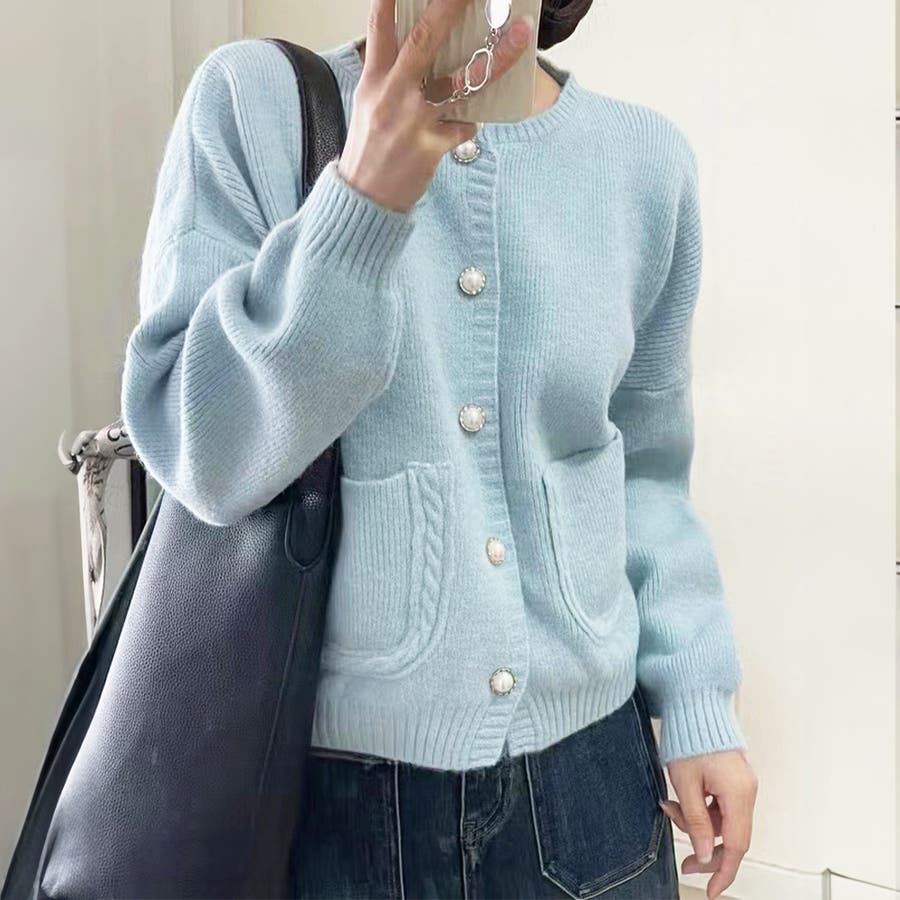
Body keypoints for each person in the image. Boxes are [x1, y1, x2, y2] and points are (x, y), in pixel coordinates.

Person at [120, 0, 759, 897]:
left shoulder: (645, 162)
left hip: (593, 793)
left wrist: (696, 701)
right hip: (329, 806)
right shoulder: (253, 105)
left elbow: (648, 473)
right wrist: (361, 201)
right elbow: (205, 454)